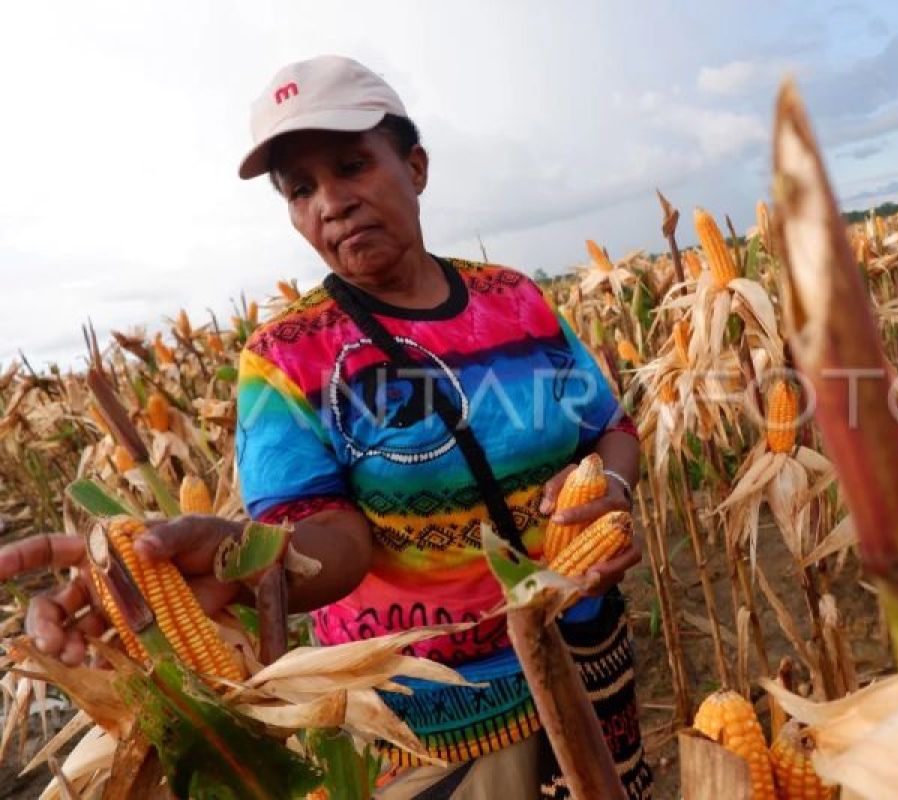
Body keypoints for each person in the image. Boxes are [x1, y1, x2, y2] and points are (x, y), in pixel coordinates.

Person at [1, 55, 652, 799]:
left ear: (415, 166)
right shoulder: (284, 359)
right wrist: (240, 557)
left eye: (352, 166)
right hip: (427, 719)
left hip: (590, 661)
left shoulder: (515, 299)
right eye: (301, 189)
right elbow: (333, 543)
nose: (332, 203)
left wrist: (614, 491)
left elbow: (611, 427)